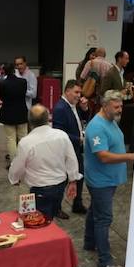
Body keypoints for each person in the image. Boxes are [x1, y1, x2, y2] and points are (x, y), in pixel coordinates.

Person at [83, 91, 134, 267]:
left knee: (94, 210)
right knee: (104, 218)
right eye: (116, 107)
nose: (120, 109)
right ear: (104, 106)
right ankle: (105, 260)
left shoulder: (110, 120)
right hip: (101, 180)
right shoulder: (97, 127)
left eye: (121, 106)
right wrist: (130, 156)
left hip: (107, 178)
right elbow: (103, 156)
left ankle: (89, 242)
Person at [9, 104, 80, 221]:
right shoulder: (61, 135)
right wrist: (73, 180)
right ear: (48, 118)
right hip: (59, 186)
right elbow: (71, 159)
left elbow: (18, 166)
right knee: (51, 216)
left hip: (40, 189)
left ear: (30, 121)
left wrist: (14, 179)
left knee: (39, 221)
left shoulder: (26, 142)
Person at [51, 80, 88, 216]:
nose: (79, 95)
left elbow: (82, 119)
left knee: (80, 175)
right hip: (66, 150)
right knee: (63, 179)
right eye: (76, 92)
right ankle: (57, 208)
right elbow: (59, 132)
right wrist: (78, 139)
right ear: (67, 91)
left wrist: (84, 109)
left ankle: (77, 203)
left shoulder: (73, 105)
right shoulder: (61, 108)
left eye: (80, 92)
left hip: (75, 148)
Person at [0, 62, 32, 161]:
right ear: (14, 69)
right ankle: (24, 160)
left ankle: (14, 163)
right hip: (21, 112)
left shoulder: (1, 83)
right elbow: (24, 94)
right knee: (23, 137)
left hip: (7, 113)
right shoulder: (23, 82)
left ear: (4, 71)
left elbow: (1, 97)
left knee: (11, 139)